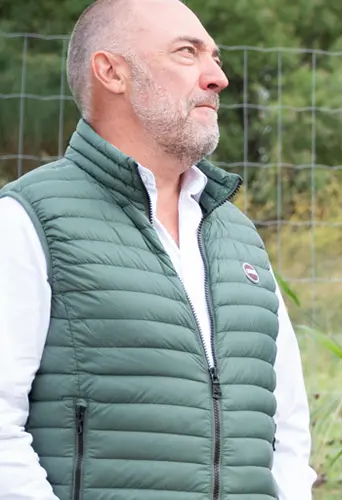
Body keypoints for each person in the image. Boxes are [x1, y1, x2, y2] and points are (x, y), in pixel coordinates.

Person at [0, 0, 317, 498]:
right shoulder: (27, 220)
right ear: (112, 72)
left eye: (215, 57)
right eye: (187, 52)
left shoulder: (238, 236)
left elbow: (288, 430)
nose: (217, 78)